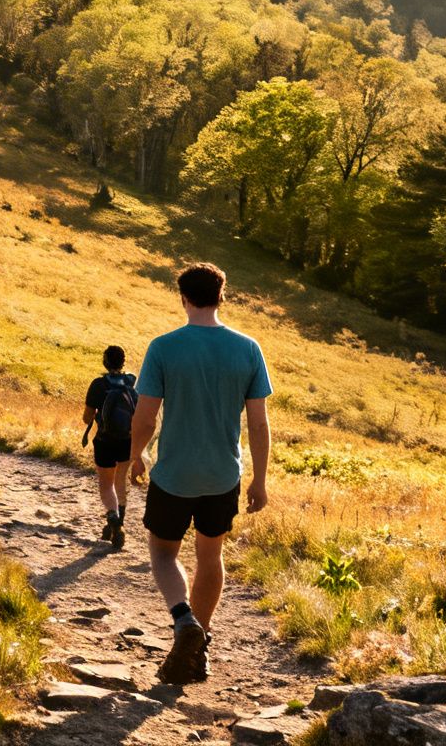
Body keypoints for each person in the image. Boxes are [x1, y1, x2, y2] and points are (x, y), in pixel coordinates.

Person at [128, 263, 272, 687]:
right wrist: (258, 480)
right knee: (211, 557)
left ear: (183, 298)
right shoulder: (247, 348)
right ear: (221, 296)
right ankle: (201, 644)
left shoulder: (164, 347)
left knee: (163, 555)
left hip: (174, 474)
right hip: (223, 476)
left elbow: (146, 416)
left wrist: (135, 456)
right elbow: (259, 424)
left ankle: (182, 620)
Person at [81, 345, 137, 549]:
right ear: (123, 362)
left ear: (105, 361)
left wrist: (95, 417)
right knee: (121, 481)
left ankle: (112, 516)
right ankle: (118, 522)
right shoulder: (132, 382)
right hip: (128, 440)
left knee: (106, 484)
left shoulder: (98, 385)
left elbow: (87, 417)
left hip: (104, 441)